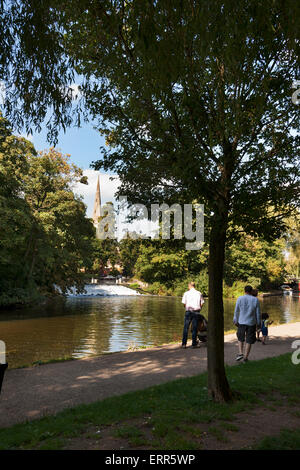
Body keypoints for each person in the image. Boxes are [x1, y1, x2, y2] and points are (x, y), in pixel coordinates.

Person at [233, 285, 261, 363]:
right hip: (251, 322)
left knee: (240, 338)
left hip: (241, 321)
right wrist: (258, 323)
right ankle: (245, 357)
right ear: (251, 291)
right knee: (249, 340)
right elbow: (258, 313)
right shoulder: (255, 300)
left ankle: (240, 352)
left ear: (244, 291)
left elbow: (236, 310)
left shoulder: (240, 298)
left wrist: (235, 319)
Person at [181, 282, 205, 349]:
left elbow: (184, 303)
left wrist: (187, 308)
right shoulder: (199, 293)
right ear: (194, 286)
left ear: (189, 286)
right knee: (195, 328)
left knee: (186, 328)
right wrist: (199, 307)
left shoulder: (186, 293)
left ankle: (184, 344)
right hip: (196, 312)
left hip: (188, 312)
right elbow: (202, 303)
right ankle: (194, 344)